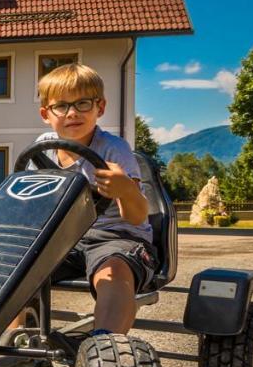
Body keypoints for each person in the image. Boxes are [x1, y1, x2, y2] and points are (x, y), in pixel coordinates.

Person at [29, 63, 157, 335]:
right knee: (17, 273)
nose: (72, 112)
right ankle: (17, 344)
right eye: (61, 106)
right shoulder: (43, 150)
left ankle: (106, 345)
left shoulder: (113, 149)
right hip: (65, 238)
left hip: (115, 235)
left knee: (113, 270)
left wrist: (125, 189)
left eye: (83, 103)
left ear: (100, 107)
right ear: (45, 114)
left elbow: (136, 216)